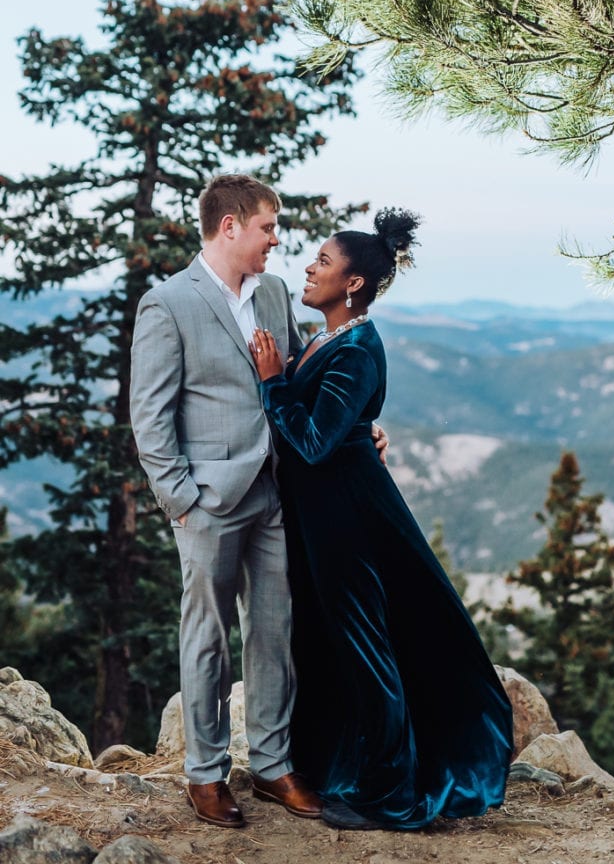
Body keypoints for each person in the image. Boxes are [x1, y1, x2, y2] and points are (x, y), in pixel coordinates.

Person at [249, 207, 514, 831]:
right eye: (313, 258)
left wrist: (272, 383)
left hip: (349, 520)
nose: (308, 269)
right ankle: (339, 768)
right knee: (330, 646)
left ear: (353, 285)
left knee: (368, 652)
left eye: (323, 263)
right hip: (322, 517)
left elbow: (313, 442)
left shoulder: (360, 348)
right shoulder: (324, 339)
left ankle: (391, 796)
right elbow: (340, 428)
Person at [129, 174, 323, 828]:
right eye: (268, 226)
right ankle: (205, 774)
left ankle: (270, 765)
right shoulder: (168, 303)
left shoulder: (271, 293)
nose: (277, 239)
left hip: (272, 492)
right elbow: (150, 418)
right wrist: (181, 499)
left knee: (274, 629)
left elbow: (293, 378)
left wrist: (355, 427)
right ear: (230, 226)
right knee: (207, 636)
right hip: (208, 501)